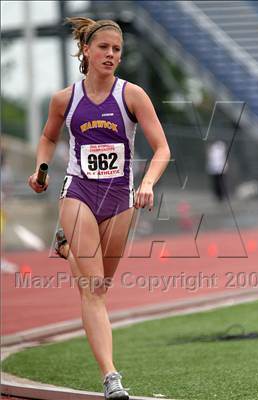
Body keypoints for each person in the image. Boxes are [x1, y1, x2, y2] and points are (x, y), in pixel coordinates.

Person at [28, 17, 170, 400]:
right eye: (104, 47)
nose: (110, 55)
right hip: (79, 192)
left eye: (117, 50)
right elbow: (47, 136)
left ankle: (68, 247)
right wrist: (41, 169)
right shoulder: (65, 99)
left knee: (102, 285)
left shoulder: (132, 96)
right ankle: (111, 378)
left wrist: (147, 183)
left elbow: (162, 149)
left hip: (121, 198)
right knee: (92, 290)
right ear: (86, 51)